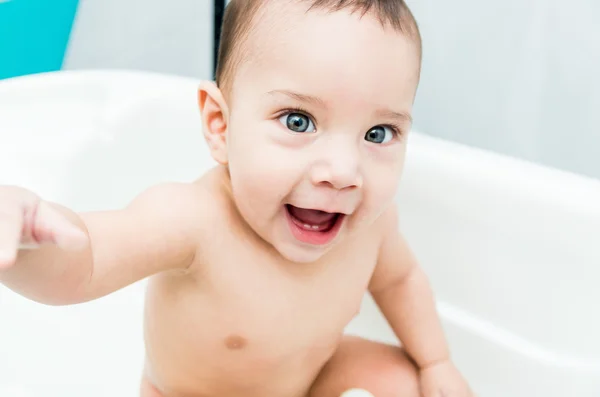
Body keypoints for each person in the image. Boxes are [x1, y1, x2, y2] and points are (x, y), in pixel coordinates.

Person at [0, 1, 475, 396]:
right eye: (298, 121)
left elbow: (400, 281)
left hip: (309, 381)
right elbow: (88, 260)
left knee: (404, 384)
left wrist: (437, 361)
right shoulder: (193, 221)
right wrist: (29, 240)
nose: (343, 173)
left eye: (378, 132)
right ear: (220, 126)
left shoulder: (371, 224)